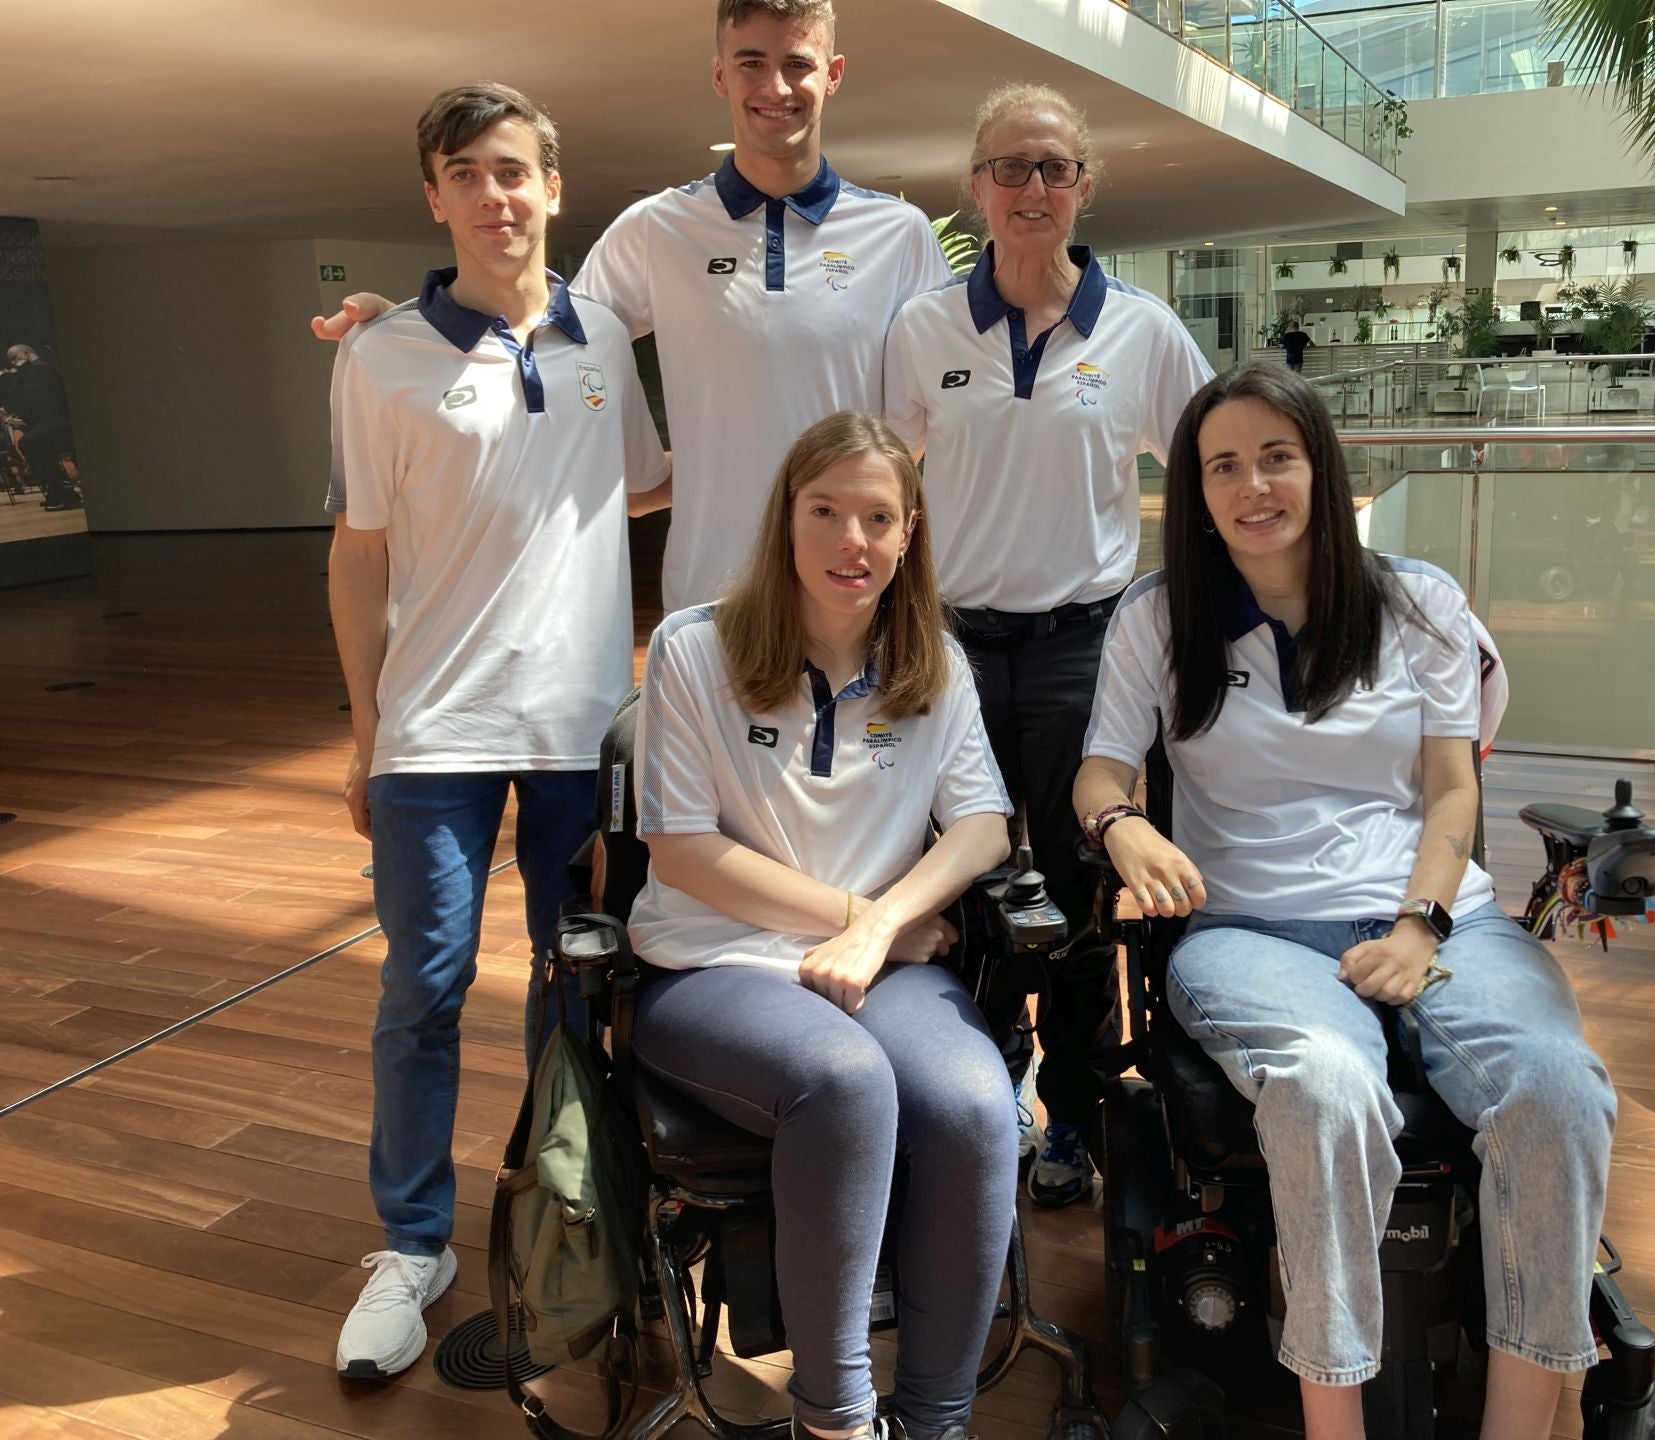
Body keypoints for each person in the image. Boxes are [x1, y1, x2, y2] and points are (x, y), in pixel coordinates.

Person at [1073, 360, 1616, 1440]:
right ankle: (1337, 1423)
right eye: (1223, 465)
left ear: (1321, 465)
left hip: (1433, 910)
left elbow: (1453, 785)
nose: (1252, 485)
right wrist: (1123, 825)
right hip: (1250, 928)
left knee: (1559, 1087)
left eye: (1277, 456)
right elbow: (1099, 771)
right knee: (1325, 1091)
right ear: (1195, 490)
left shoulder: (1418, 601)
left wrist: (1423, 926)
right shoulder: (1158, 615)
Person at [325, 83, 669, 1380]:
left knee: (575, 975)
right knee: (425, 987)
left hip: (580, 729)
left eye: (514, 171)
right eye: (466, 173)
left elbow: (652, 485)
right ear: (435, 195)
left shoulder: (603, 338)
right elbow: (357, 558)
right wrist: (363, 732)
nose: (494, 195)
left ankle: (553, 1201)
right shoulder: (377, 355)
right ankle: (412, 1248)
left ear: (554, 188)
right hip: (433, 731)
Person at [626, 410, 1014, 1440]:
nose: (853, 540)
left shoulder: (934, 663)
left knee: (977, 1109)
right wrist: (861, 916)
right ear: (785, 520)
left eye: (878, 518)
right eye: (826, 511)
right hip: (713, 965)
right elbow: (681, 851)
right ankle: (835, 1421)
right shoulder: (694, 648)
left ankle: (934, 1422)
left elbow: (982, 826)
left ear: (909, 533)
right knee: (844, 1083)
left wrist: (881, 927)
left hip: (883, 966)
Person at [313, 0, 951, 611]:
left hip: (858, 590)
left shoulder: (899, 235)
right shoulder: (656, 229)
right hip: (713, 593)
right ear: (719, 73)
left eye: (798, 64)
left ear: (833, 74)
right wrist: (410, 323)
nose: (775, 87)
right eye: (751, 62)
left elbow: (941, 399)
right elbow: (540, 332)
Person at [883, 82, 1212, 1207]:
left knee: (1076, 894)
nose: (1033, 188)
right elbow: (883, 488)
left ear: (1082, 187)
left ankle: (1069, 1114)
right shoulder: (925, 329)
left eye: (1055, 168)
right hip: (956, 653)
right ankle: (974, 1099)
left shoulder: (1143, 330)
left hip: (1087, 651)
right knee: (962, 879)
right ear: (976, 188)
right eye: (1012, 168)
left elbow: (1216, 478)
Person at [0, 343, 83, 509]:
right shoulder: (33, 373)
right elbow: (24, 404)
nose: (13, 363)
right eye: (11, 361)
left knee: (30, 443)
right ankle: (57, 491)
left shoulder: (42, 370)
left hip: (62, 423)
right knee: (30, 441)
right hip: (51, 422)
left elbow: (42, 403)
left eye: (15, 358)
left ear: (28, 353)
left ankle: (63, 492)